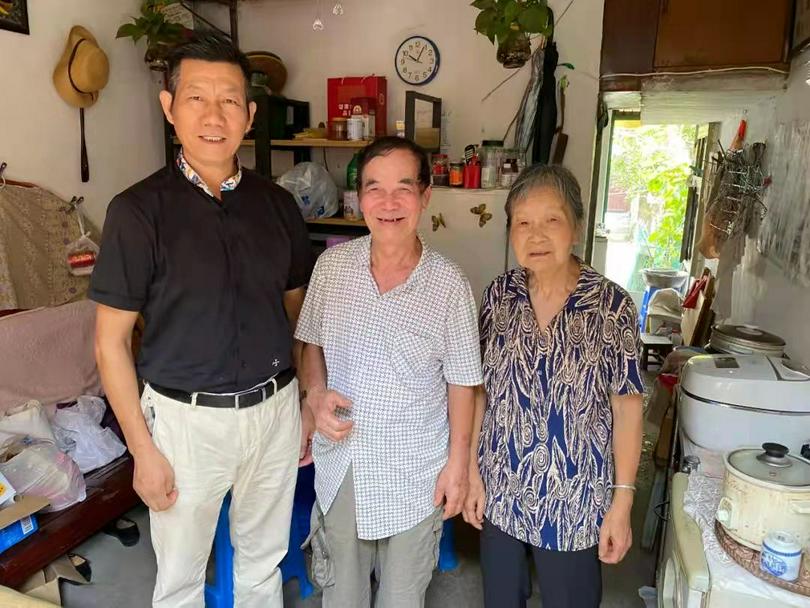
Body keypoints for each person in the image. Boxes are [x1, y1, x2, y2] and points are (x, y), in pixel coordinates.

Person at [89, 32, 315, 608]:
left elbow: (297, 312)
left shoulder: (278, 206)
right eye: (196, 98)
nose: (214, 116)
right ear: (169, 108)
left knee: (262, 564)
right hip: (184, 425)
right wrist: (142, 450)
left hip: (273, 412)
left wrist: (302, 399)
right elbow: (110, 344)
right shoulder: (137, 212)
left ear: (250, 115)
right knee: (181, 579)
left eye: (229, 100)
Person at [295, 136, 482, 607]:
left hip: (415, 472)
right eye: (374, 188)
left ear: (425, 195)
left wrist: (458, 466)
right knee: (342, 597)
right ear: (359, 199)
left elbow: (464, 383)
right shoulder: (331, 268)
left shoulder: (449, 285)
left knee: (402, 598)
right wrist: (314, 395)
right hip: (343, 463)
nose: (389, 203)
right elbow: (311, 344)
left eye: (404, 188)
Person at [463, 164, 644, 608]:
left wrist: (622, 503)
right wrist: (471, 471)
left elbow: (627, 408)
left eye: (551, 220)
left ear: (576, 227)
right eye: (523, 223)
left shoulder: (611, 306)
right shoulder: (498, 296)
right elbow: (480, 391)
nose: (536, 235)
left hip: (574, 499)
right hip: (502, 487)